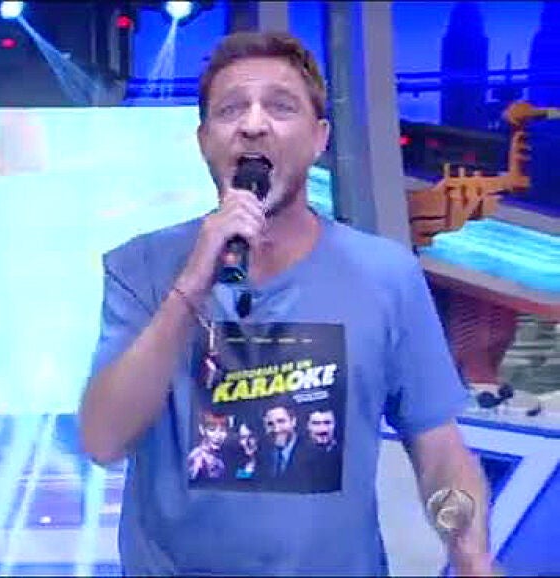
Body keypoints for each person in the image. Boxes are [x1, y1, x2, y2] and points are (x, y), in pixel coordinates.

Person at [78, 31, 494, 576]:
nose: (253, 124)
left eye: (281, 107)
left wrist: (472, 558)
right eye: (231, 109)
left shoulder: (385, 276)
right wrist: (192, 285)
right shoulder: (141, 268)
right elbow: (104, 440)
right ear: (204, 141)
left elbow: (438, 448)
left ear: (319, 139)